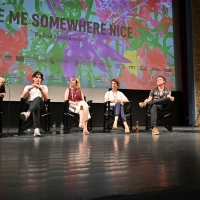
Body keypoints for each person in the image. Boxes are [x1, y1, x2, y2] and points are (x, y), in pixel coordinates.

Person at [20, 71, 49, 137]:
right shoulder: (28, 87)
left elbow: (47, 97)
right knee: (36, 107)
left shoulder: (44, 87)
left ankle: (28, 113)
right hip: (30, 105)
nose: (38, 79)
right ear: (33, 78)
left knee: (38, 98)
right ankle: (36, 129)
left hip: (42, 105)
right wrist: (29, 89)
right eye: (36, 77)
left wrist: (40, 88)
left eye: (40, 77)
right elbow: (22, 97)